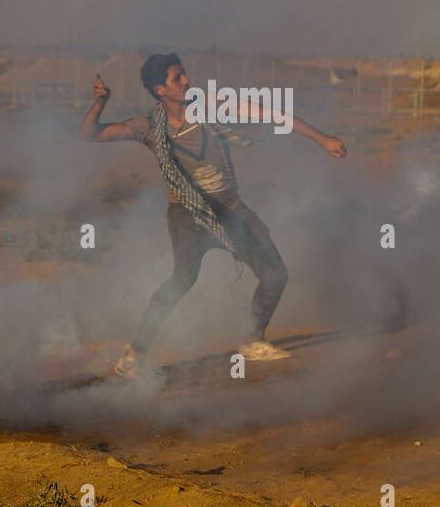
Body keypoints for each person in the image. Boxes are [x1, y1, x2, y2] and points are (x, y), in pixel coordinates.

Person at [78, 53, 347, 378]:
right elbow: (90, 135)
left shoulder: (210, 108)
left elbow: (272, 114)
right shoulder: (147, 126)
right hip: (187, 215)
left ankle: (252, 340)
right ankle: (136, 353)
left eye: (184, 75)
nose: (186, 81)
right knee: (182, 279)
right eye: (177, 78)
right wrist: (99, 103)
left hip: (231, 210)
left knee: (275, 273)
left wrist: (321, 139)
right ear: (160, 90)